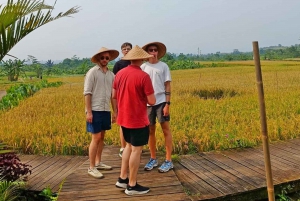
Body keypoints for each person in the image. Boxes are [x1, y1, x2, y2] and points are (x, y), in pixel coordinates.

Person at [113, 45, 155, 195]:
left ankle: (122, 178)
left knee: (128, 147)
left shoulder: (119, 74)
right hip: (137, 118)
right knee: (136, 150)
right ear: (142, 58)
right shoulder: (144, 76)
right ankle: (132, 185)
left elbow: (114, 95)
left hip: (123, 118)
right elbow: (152, 100)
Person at [84, 47, 119, 179]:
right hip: (95, 109)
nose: (104, 60)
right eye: (102, 58)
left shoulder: (111, 75)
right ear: (98, 59)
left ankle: (98, 162)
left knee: (102, 137)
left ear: (109, 59)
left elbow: (113, 95)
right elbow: (87, 93)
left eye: (107, 58)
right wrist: (89, 112)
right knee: (96, 138)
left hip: (105, 109)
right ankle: (91, 167)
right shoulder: (92, 73)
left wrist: (115, 111)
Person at [141, 42, 173, 173]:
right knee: (150, 131)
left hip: (161, 102)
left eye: (155, 50)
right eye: (150, 50)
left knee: (166, 130)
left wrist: (167, 104)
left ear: (158, 52)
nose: (153, 52)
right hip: (147, 104)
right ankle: (153, 158)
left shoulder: (163, 66)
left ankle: (168, 160)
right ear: (147, 53)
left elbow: (167, 85)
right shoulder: (143, 67)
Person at [112, 42, 132, 157]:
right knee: (122, 123)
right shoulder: (118, 65)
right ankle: (123, 147)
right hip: (121, 97)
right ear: (121, 51)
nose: (126, 50)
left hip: (133, 97)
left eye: (128, 48)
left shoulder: (135, 62)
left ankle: (133, 146)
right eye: (124, 49)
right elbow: (114, 83)